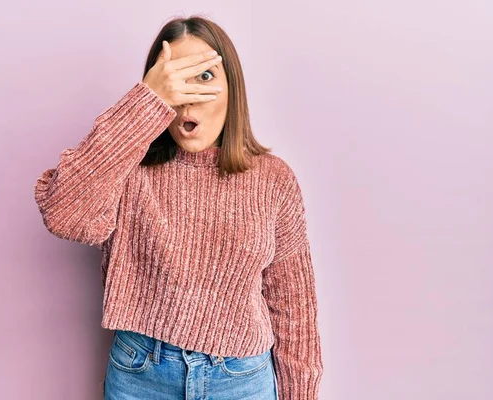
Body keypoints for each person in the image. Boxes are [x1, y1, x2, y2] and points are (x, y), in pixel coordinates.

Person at [34, 15, 323, 400]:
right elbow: (65, 212)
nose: (189, 97)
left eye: (204, 77)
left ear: (232, 89)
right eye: (175, 80)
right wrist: (143, 104)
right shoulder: (128, 170)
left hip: (242, 381)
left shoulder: (273, 180)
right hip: (141, 375)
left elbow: (294, 309)